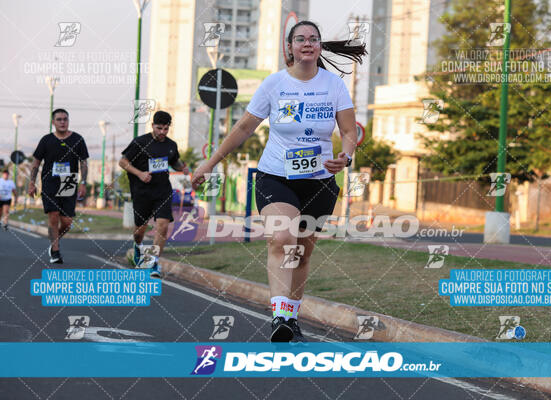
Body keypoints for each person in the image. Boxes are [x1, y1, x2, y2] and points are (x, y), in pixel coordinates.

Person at [192, 20, 366, 342]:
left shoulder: (334, 85)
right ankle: (279, 317)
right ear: (290, 47)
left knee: (301, 251)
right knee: (282, 238)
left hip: (320, 180)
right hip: (276, 176)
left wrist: (346, 157)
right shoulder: (274, 84)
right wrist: (209, 163)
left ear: (319, 46)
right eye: (300, 39)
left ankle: (291, 317)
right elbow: (243, 129)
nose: (307, 43)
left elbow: (348, 131)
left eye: (314, 38)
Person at [119, 111, 189, 278]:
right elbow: (123, 162)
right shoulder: (140, 142)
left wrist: (182, 167)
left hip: (162, 190)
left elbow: (174, 162)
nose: (162, 132)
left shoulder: (171, 145)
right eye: (159, 128)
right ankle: (138, 246)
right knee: (139, 230)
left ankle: (152, 263)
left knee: (163, 225)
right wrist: (140, 174)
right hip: (141, 191)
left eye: (166, 129)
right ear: (152, 126)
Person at [29, 109, 88, 264]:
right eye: (59, 119)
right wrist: (32, 182)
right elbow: (36, 163)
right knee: (53, 215)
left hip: (69, 182)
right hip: (49, 183)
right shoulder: (46, 140)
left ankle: (54, 241)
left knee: (67, 223)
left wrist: (83, 183)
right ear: (53, 122)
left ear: (68, 121)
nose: (62, 122)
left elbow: (83, 162)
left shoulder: (77, 139)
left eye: (65, 119)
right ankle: (55, 250)